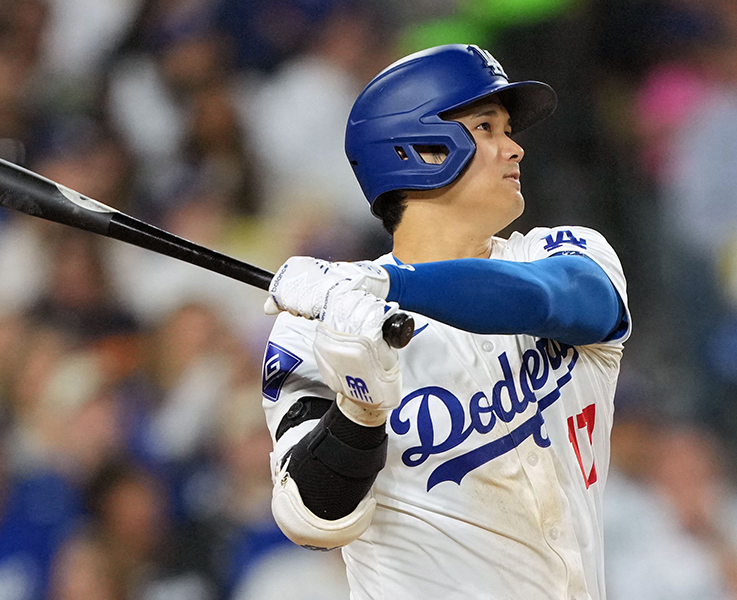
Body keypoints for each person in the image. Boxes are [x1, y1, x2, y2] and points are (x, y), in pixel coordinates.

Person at [260, 44, 630, 599]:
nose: (515, 148)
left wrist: (391, 285)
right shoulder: (317, 329)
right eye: (487, 127)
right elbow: (311, 519)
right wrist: (358, 411)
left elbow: (562, 300)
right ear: (421, 150)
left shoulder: (561, 254)